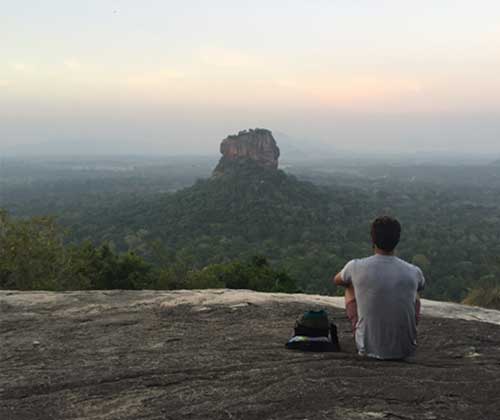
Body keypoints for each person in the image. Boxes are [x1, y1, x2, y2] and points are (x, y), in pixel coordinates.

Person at [333, 216, 425, 360]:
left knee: (349, 285)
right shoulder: (414, 271)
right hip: (406, 350)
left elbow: (337, 280)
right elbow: (421, 286)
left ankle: (363, 329)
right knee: (415, 292)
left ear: (373, 239)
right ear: (397, 240)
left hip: (367, 349)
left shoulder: (355, 266)